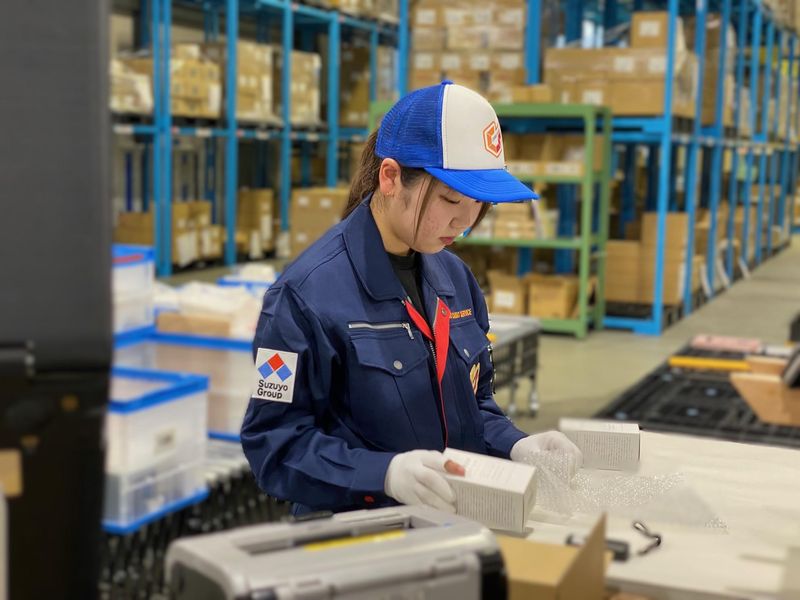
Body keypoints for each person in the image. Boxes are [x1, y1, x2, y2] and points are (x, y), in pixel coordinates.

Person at [241, 81, 582, 517]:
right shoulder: (304, 297)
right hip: (359, 535)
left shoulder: (455, 280)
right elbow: (275, 447)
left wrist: (516, 444)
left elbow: (474, 406)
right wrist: (382, 475)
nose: (464, 221)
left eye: (480, 203)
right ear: (390, 177)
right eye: (451, 198)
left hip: (450, 521)